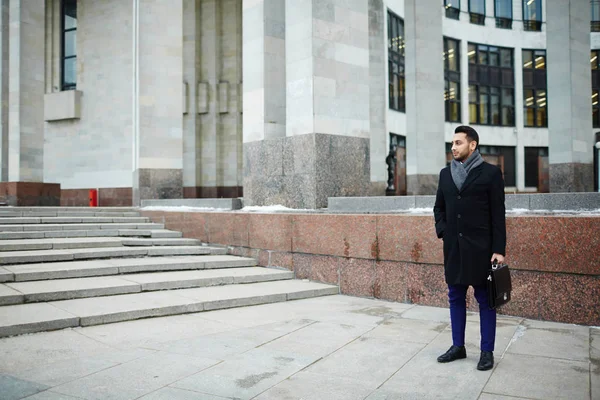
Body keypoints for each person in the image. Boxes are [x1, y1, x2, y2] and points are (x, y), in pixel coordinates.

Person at [433, 125, 506, 371]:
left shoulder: (491, 174)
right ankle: (458, 346)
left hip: (481, 248)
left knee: (485, 299)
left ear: (472, 145)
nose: (453, 147)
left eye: (458, 143)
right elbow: (439, 208)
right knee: (455, 296)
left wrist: (498, 248)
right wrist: (443, 230)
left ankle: (487, 351)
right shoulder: (445, 174)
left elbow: (498, 214)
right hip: (454, 248)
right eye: (452, 143)